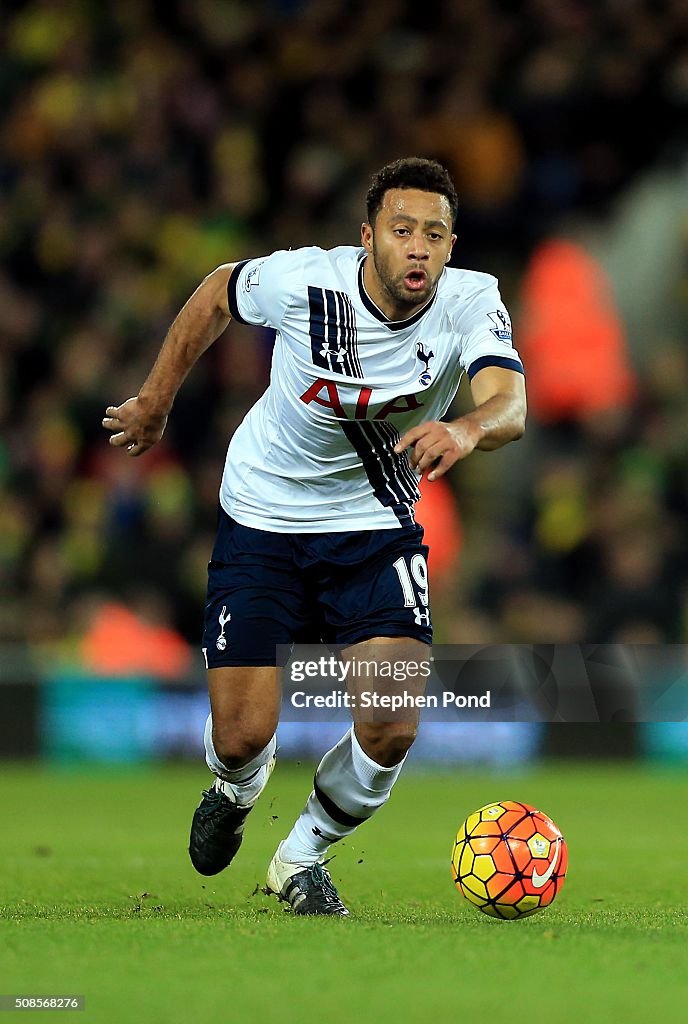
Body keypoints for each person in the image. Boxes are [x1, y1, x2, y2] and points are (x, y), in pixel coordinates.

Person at [103, 157, 526, 916]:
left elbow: (510, 402)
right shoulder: (306, 282)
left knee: (393, 721)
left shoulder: (471, 301)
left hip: (373, 527)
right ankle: (236, 787)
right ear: (369, 238)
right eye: (402, 230)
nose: (419, 247)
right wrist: (156, 402)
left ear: (452, 245)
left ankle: (300, 856)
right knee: (240, 735)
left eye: (434, 233)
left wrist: (466, 429)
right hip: (263, 514)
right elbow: (216, 292)